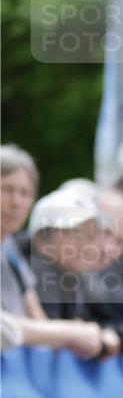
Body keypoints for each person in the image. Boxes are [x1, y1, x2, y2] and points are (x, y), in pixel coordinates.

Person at [0, 145, 102, 358]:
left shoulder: (9, 249)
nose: (16, 202)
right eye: (7, 189)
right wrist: (67, 333)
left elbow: (37, 320)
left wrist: (73, 333)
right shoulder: (34, 264)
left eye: (25, 193)